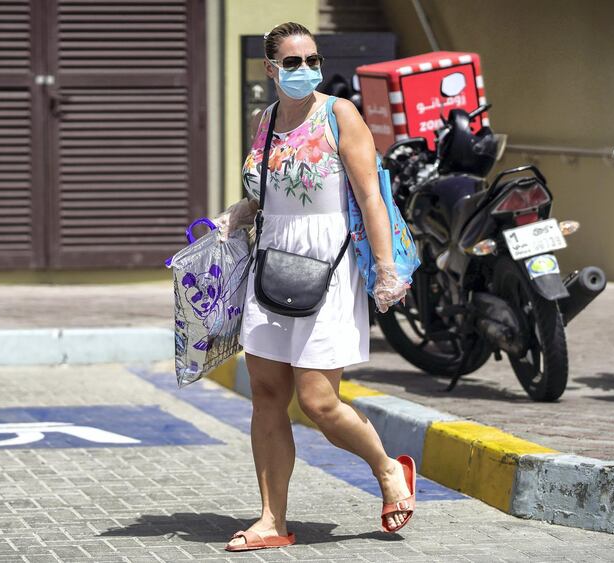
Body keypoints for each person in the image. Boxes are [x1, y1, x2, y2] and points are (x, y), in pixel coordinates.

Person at [213, 22, 414, 551]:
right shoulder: (266, 120)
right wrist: (236, 214)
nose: (305, 70)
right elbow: (265, 193)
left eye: (311, 60)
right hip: (271, 262)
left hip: (328, 262)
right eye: (293, 62)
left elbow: (370, 196)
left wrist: (387, 268)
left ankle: (387, 467)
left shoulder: (339, 114)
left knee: (320, 401)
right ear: (270, 68)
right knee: (266, 395)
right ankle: (272, 520)